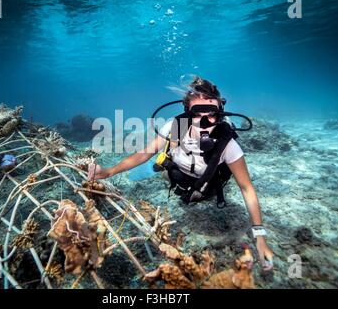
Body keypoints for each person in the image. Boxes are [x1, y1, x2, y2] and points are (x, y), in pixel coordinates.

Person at [89, 76, 274, 270]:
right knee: (164, 168)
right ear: (187, 111)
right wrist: (110, 171)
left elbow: (246, 188)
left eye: (211, 114)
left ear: (220, 113)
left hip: (206, 184)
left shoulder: (227, 144)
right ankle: (160, 166)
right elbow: (143, 153)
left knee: (202, 196)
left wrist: (259, 236)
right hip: (177, 172)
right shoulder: (177, 127)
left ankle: (185, 182)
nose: (204, 121)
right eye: (197, 113)